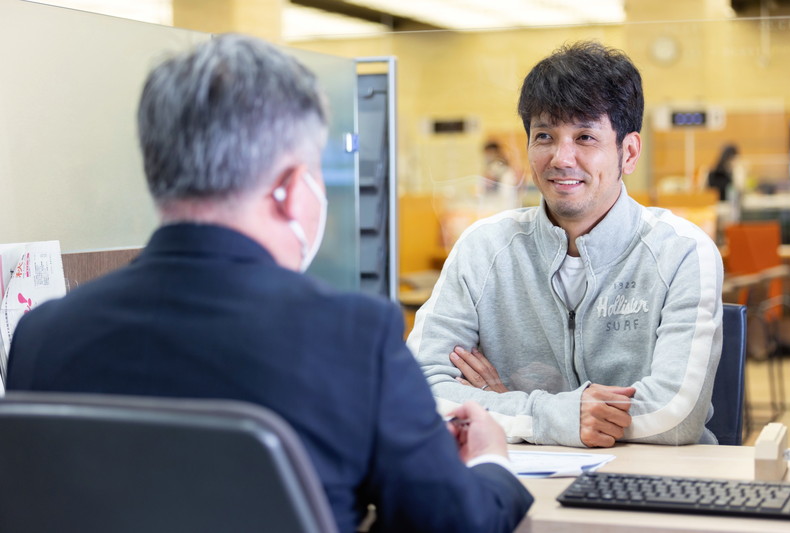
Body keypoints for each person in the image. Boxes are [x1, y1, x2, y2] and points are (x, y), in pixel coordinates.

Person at [5, 34, 532, 532]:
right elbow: (450, 522)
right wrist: (491, 462)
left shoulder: (42, 336)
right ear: (287, 190)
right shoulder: (350, 335)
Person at [407, 41, 723, 449]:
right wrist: (550, 416)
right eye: (545, 136)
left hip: (656, 484)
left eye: (586, 137)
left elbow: (674, 416)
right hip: (521, 483)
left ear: (628, 152)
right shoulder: (483, 249)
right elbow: (417, 389)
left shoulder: (681, 252)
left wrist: (502, 407)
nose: (561, 157)